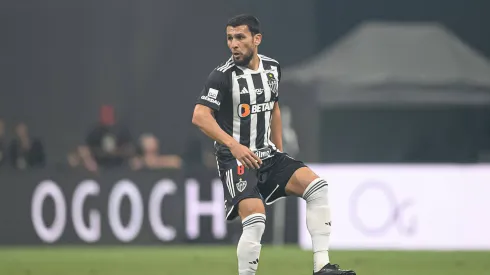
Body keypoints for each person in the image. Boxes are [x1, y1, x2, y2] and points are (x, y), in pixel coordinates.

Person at [192, 14, 356, 275]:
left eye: (240, 37)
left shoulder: (272, 68)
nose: (234, 44)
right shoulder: (221, 76)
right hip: (236, 160)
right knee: (256, 221)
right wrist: (233, 145)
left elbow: (274, 108)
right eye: (229, 38)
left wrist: (279, 151)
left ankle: (322, 267)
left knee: (318, 188)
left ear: (257, 39)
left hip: (267, 155)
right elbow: (200, 116)